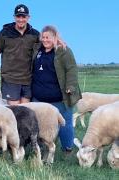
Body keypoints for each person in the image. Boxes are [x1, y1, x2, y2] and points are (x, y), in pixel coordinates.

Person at [31, 25, 82, 153]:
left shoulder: (63, 50)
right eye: (43, 37)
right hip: (39, 99)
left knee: (65, 123)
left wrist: (70, 86)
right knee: (38, 124)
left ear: (55, 37)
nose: (45, 40)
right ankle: (39, 149)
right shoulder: (37, 50)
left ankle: (67, 149)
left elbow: (71, 69)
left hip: (60, 98)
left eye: (48, 37)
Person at [0, 4, 40, 105]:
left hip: (28, 79)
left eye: (23, 16)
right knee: (15, 111)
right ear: (14, 17)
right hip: (10, 79)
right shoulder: (4, 33)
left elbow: (46, 48)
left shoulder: (35, 34)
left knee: (25, 110)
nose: (21, 19)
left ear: (28, 17)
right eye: (18, 16)